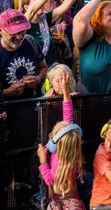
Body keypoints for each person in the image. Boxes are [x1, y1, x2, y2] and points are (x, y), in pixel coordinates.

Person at [37, 72, 85, 209]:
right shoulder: (73, 149)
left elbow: (48, 178)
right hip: (74, 199)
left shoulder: (59, 163)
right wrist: (65, 91)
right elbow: (68, 116)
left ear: (55, 144)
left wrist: (43, 159)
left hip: (59, 201)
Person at [0, 9, 48, 99]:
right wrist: (6, 92)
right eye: (14, 32)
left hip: (34, 103)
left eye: (22, 31)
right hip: (5, 108)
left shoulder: (31, 42)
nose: (19, 37)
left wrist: (38, 79)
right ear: (0, 30)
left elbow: (44, 67)